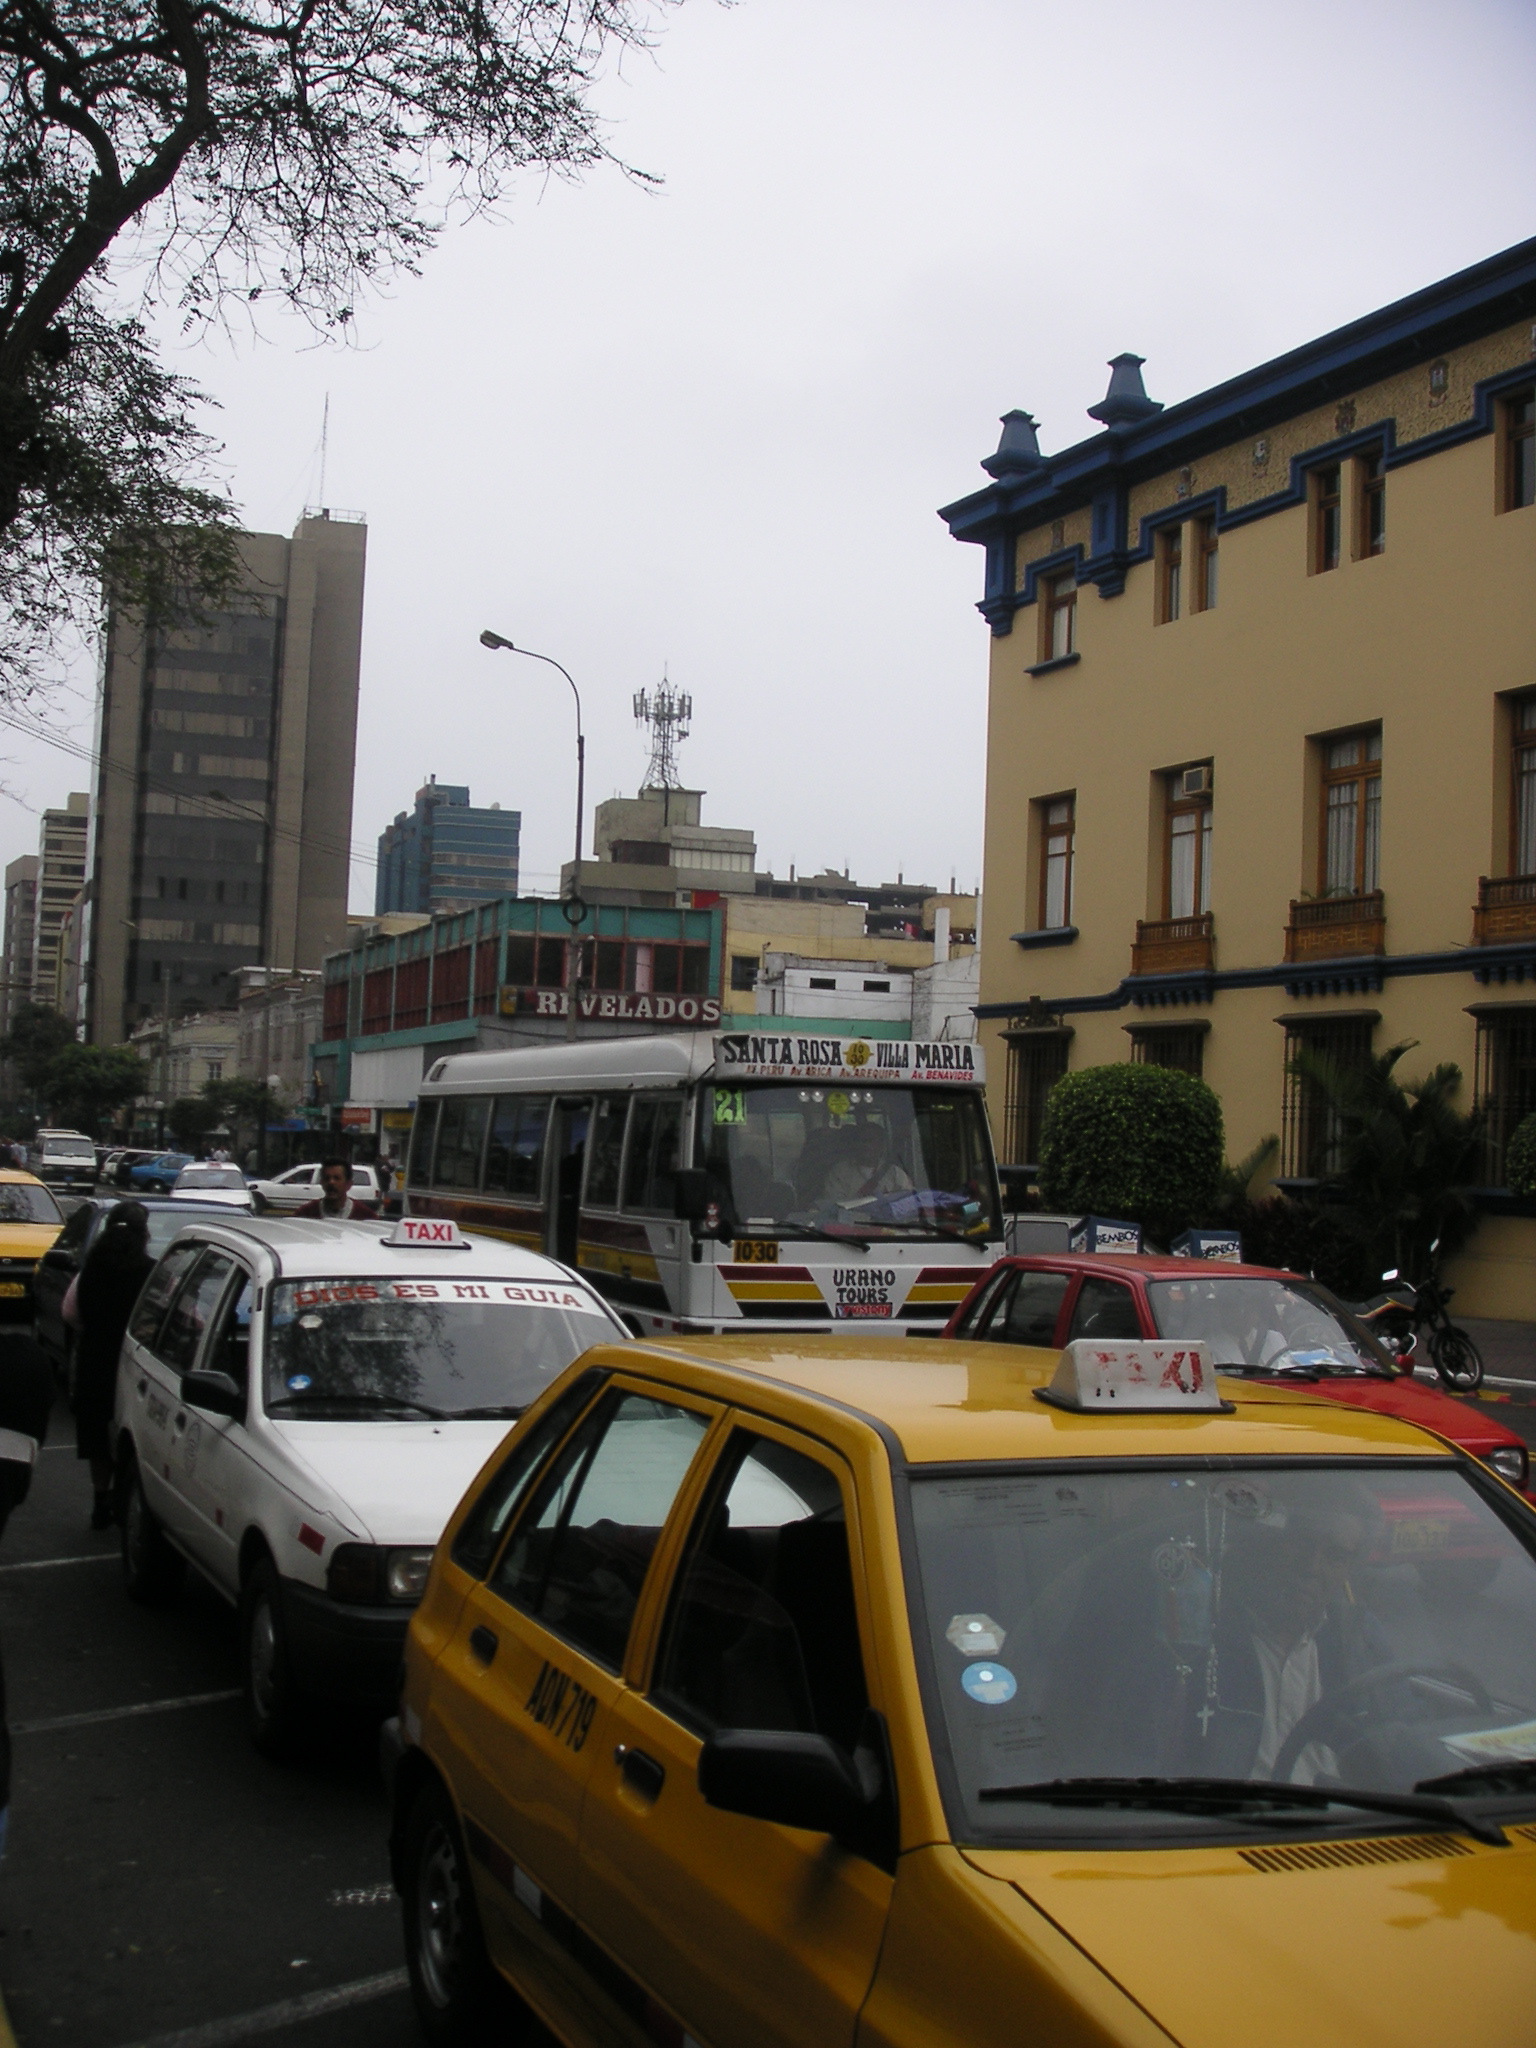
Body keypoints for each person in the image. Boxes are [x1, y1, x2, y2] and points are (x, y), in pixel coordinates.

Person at [72, 1201, 155, 1529]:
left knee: (95, 1434)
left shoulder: (92, 1265)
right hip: (130, 1363)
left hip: (95, 1361)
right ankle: (125, 1502)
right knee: (127, 1432)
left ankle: (100, 1499)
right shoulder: (148, 1272)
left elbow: (73, 1311)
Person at [819, 1121, 914, 1208]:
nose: (866, 1145)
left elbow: (910, 1202)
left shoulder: (895, 1173)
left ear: (881, 1145)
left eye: (871, 1141)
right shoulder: (839, 1173)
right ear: (855, 1144)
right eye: (862, 1140)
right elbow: (833, 1206)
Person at [296, 1157, 378, 1221]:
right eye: (327, 1178)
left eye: (337, 1178)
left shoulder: (365, 1216)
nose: (331, 1182)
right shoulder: (305, 1214)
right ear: (322, 1183)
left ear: (348, 1184)